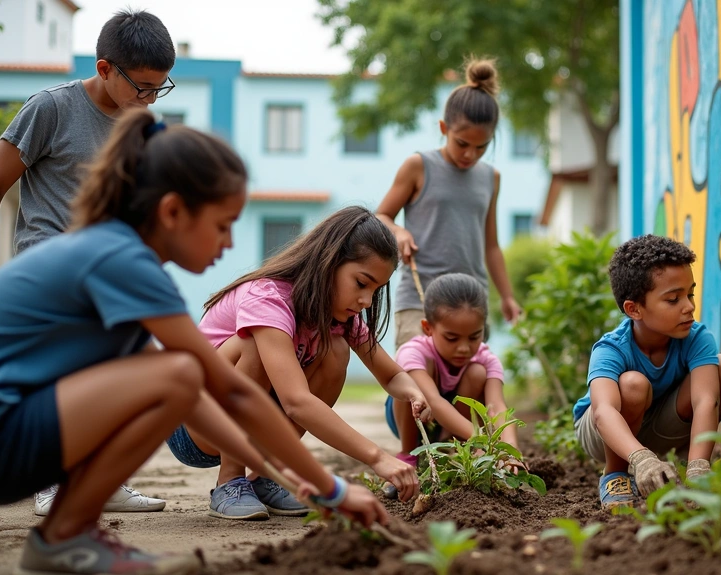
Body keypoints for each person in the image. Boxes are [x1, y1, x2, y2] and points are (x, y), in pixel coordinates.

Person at [0, 111, 388, 575]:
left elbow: (193, 399)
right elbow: (224, 391)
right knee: (179, 372)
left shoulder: (114, 256)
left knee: (172, 374)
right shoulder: (122, 261)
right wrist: (331, 487)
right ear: (172, 212)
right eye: (223, 225)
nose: (230, 244)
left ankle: (65, 536)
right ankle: (66, 536)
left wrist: (287, 475)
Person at [0, 9, 180, 516]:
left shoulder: (141, 126)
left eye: (160, 89)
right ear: (104, 69)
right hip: (49, 265)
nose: (149, 100)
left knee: (117, 375)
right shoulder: (50, 109)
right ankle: (50, 482)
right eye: (141, 87)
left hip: (109, 269)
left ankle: (102, 479)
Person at [166, 206, 430, 520]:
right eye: (361, 283)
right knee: (253, 343)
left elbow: (390, 375)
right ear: (329, 261)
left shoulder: (340, 319)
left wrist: (414, 392)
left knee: (335, 349)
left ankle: (267, 477)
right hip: (194, 423)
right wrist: (377, 457)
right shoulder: (268, 298)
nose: (367, 301)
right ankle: (231, 479)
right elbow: (295, 402)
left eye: (376, 290)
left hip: (251, 418)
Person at [573, 235, 721, 511]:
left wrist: (700, 467)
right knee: (632, 385)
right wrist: (641, 459)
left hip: (658, 427)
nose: (689, 306)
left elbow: (705, 401)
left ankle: (691, 465)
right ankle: (615, 475)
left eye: (690, 294)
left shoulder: (696, 337)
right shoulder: (610, 348)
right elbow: (603, 412)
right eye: (674, 299)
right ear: (634, 309)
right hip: (604, 433)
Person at [374, 57, 522, 352]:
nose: (470, 154)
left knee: (470, 385)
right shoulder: (418, 166)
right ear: (444, 128)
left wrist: (507, 296)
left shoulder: (490, 177)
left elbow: (490, 245)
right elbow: (381, 216)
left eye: (481, 147)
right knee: (417, 380)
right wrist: (399, 233)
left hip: (471, 302)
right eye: (462, 143)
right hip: (420, 299)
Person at [386, 273, 517, 465]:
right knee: (409, 380)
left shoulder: (486, 358)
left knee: (478, 372)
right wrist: (487, 443)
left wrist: (511, 452)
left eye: (474, 337)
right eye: (452, 338)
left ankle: (454, 445)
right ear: (428, 328)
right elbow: (434, 402)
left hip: (457, 424)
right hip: (413, 419)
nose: (464, 348)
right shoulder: (413, 352)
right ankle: (408, 456)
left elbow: (497, 407)